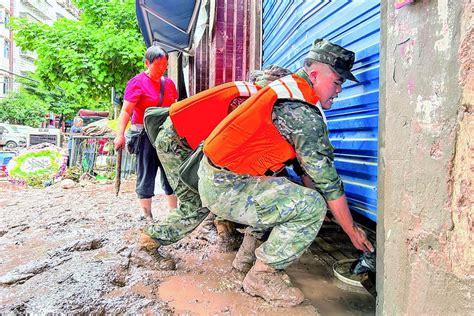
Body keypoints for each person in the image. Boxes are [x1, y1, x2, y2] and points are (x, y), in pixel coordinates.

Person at [197, 39, 374, 307]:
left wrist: (332, 214)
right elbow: (326, 180)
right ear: (315, 74)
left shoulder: (291, 92)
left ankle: (245, 261)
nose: (339, 90)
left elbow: (307, 170)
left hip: (223, 177)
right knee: (310, 204)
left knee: (284, 195)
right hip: (225, 185)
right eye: (337, 81)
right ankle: (263, 275)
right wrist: (349, 229)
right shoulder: (300, 110)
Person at [138, 66, 293, 267]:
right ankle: (146, 245)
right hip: (179, 142)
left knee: (219, 185)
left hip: (179, 136)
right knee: (195, 202)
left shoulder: (249, 91)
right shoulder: (256, 101)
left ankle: (225, 233)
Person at [114, 44, 178, 221]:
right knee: (146, 173)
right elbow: (126, 111)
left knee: (170, 172)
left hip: (166, 136)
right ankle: (147, 214)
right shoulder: (137, 83)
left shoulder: (170, 84)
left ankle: (174, 214)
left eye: (164, 64)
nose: (162, 68)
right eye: (158, 65)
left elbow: (174, 109)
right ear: (147, 63)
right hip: (144, 135)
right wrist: (119, 134)